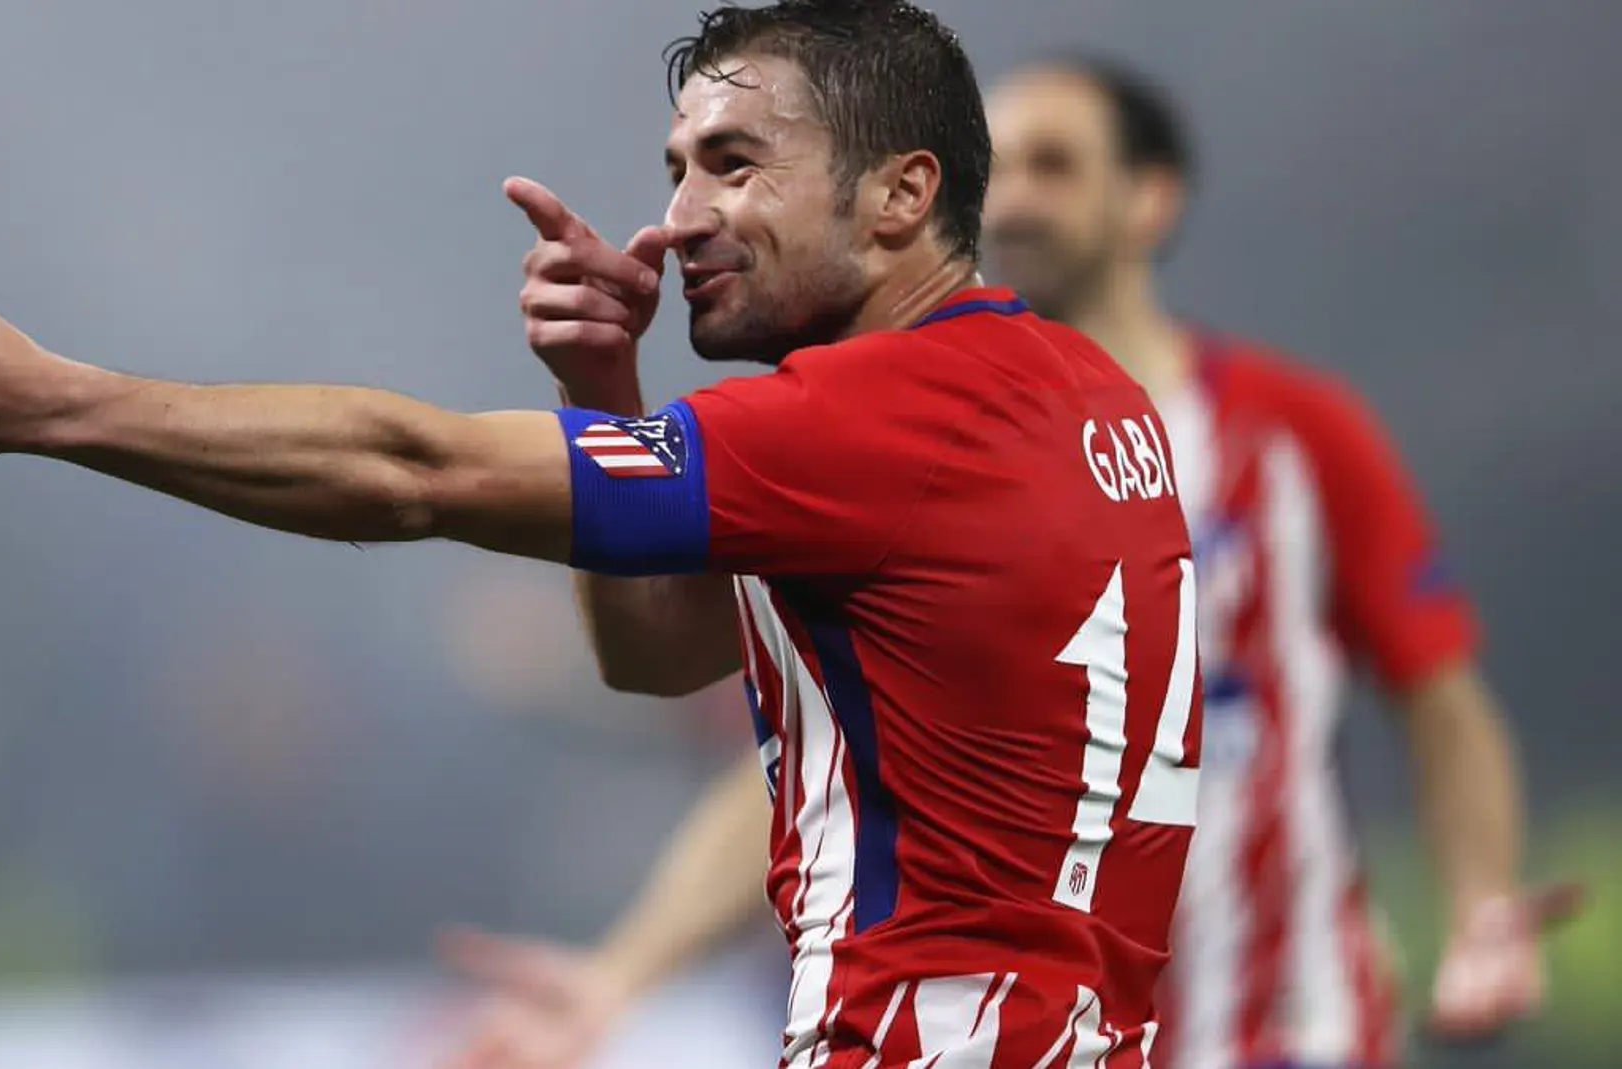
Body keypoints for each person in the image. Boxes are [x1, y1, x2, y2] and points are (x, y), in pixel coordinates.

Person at [0, 5, 1202, 1067]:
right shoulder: (1076, 390)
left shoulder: (878, 415)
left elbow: (411, 471)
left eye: (735, 165)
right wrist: (605, 400)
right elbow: (658, 656)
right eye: (677, 167)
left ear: (901, 194)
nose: (681, 218)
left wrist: (53, 402)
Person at [439, 52, 1585, 1069]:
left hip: (1276, 1021)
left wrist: (1479, 896)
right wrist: (622, 973)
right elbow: (826, 763)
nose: (1019, 196)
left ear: (1150, 199)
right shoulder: (899, 440)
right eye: (1007, 163)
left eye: (1057, 164)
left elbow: (1439, 698)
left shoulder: (1295, 436)